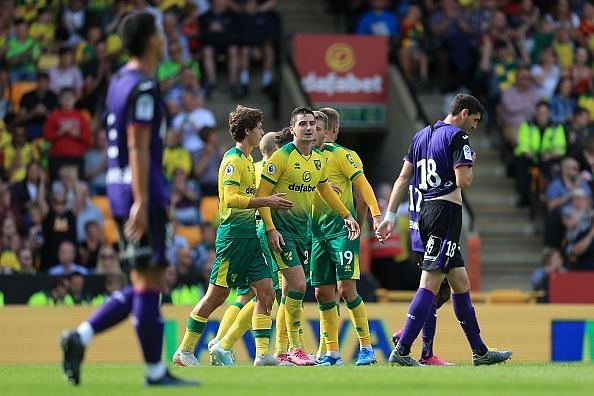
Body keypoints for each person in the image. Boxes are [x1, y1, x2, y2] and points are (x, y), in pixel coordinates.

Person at [59, 12, 198, 387]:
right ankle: (154, 372)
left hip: (121, 190)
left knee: (142, 282)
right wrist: (142, 199)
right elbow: (137, 146)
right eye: (159, 32)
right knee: (150, 283)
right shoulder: (143, 87)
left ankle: (80, 337)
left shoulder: (118, 82)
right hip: (142, 193)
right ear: (153, 40)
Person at [376, 94, 513, 366]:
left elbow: (404, 177)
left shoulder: (421, 135)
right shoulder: (457, 138)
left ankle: (480, 352)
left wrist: (389, 216)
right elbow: (463, 180)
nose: (474, 127)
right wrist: (470, 163)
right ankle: (403, 350)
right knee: (430, 283)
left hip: (424, 212)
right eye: (474, 120)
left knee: (460, 283)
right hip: (445, 213)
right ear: (463, 113)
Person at [173, 105, 293, 367]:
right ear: (248, 131)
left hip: (250, 236)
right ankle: (184, 350)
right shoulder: (233, 161)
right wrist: (266, 201)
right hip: (233, 236)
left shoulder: (249, 161)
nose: (261, 131)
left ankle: (262, 355)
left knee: (266, 291)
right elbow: (230, 198)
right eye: (259, 127)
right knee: (217, 295)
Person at [255, 106, 361, 366]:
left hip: (301, 232)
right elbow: (261, 196)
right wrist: (270, 229)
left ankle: (279, 351)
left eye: (312, 124)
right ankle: (295, 348)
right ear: (292, 129)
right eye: (302, 124)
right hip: (279, 231)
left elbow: (324, 190)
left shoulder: (317, 159)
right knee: (299, 285)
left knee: (290, 289)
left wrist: (347, 215)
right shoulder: (281, 157)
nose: (309, 128)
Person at [204, 130, 287, 365]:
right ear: (278, 151)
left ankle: (220, 340)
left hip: (252, 234)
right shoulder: (273, 171)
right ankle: (230, 343)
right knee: (269, 293)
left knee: (247, 294)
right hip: (262, 234)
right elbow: (263, 202)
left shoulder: (254, 166)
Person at [310, 109, 382, 366]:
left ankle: (366, 348)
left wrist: (375, 216)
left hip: (343, 230)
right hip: (317, 233)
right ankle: (332, 352)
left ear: (328, 131)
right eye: (311, 128)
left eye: (319, 129)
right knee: (322, 293)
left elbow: (363, 186)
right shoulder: (306, 160)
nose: (314, 133)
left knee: (346, 289)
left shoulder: (343, 155)